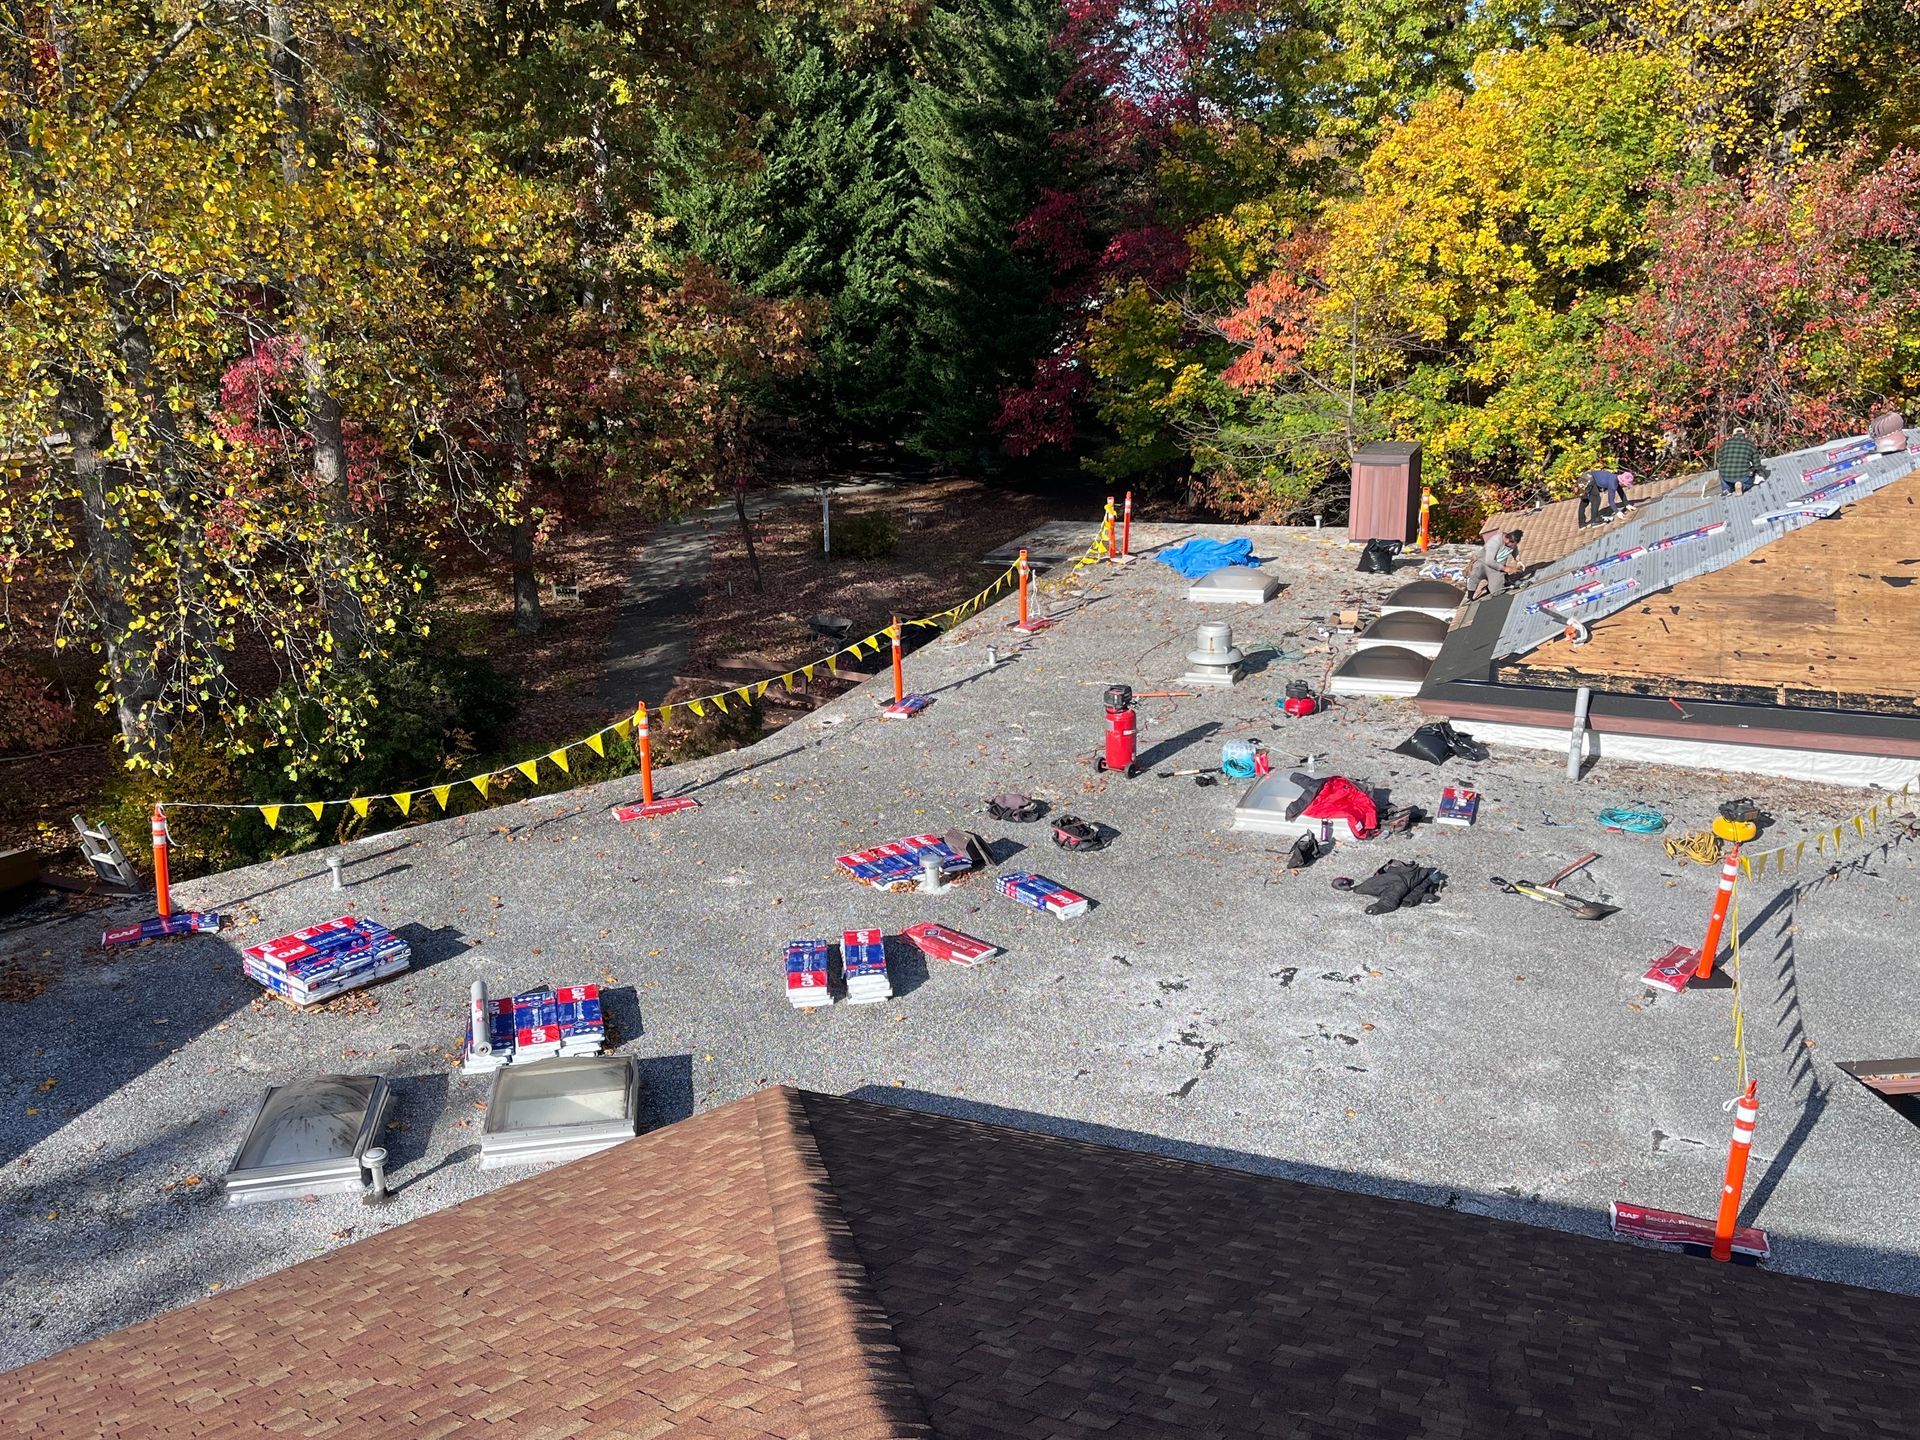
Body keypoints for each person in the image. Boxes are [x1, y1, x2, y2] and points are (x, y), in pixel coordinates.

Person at [1465, 526, 1519, 600]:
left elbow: (1514, 549)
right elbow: (1489, 561)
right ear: (1506, 538)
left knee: (1497, 592)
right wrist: (1505, 568)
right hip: (1483, 563)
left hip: (1496, 568)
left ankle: (1494, 584)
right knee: (1475, 573)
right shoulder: (1494, 542)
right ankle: (1470, 597)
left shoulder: (1511, 542)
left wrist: (1518, 560)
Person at [1716, 426, 1761, 494]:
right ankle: (1743, 486)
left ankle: (1726, 489)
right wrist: (1755, 470)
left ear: (1733, 435)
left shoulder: (1725, 444)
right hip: (1743, 476)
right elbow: (1757, 465)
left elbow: (1719, 459)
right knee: (1751, 480)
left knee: (1722, 469)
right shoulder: (1750, 444)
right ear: (1745, 435)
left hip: (1727, 476)